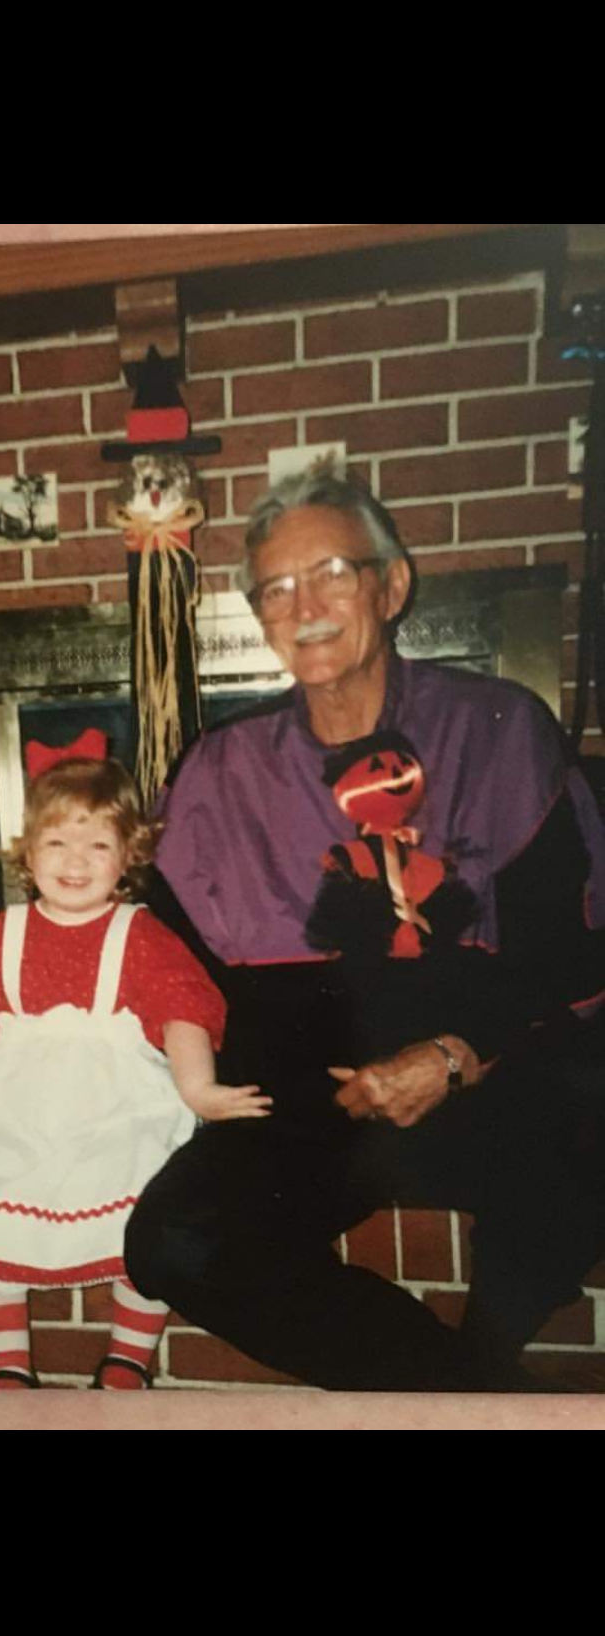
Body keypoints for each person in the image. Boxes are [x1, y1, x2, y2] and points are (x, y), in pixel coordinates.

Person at [125, 470, 605, 1392]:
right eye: (275, 589)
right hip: (314, 1101)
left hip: (480, 1069)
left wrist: (458, 1053)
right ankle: (466, 1393)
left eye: (332, 573)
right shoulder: (221, 769)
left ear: (392, 586)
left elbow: (567, 950)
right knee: (174, 1241)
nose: (303, 606)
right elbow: (164, 956)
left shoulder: (497, 728)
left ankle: (488, 1351)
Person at [0, 743, 258, 1390]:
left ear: (128, 858)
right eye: (59, 842)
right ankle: (6, 1364)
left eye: (98, 846)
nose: (76, 861)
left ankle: (127, 1356)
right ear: (28, 852)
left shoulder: (140, 935)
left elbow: (184, 1015)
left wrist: (197, 1089)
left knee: (146, 1217)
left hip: (117, 1111)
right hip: (17, 1115)